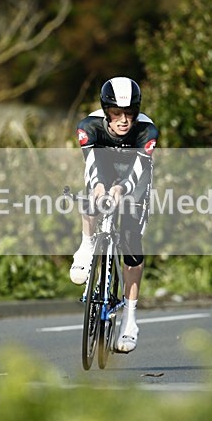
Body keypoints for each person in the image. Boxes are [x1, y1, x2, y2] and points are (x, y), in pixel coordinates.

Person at [70, 76, 158, 353]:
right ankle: (86, 246)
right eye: (117, 114)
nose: (123, 120)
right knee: (91, 200)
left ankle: (130, 320)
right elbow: (92, 163)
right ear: (106, 111)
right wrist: (99, 186)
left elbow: (139, 170)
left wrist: (122, 188)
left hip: (134, 178)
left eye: (129, 113)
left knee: (132, 246)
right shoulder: (88, 126)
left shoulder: (147, 130)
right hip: (104, 169)